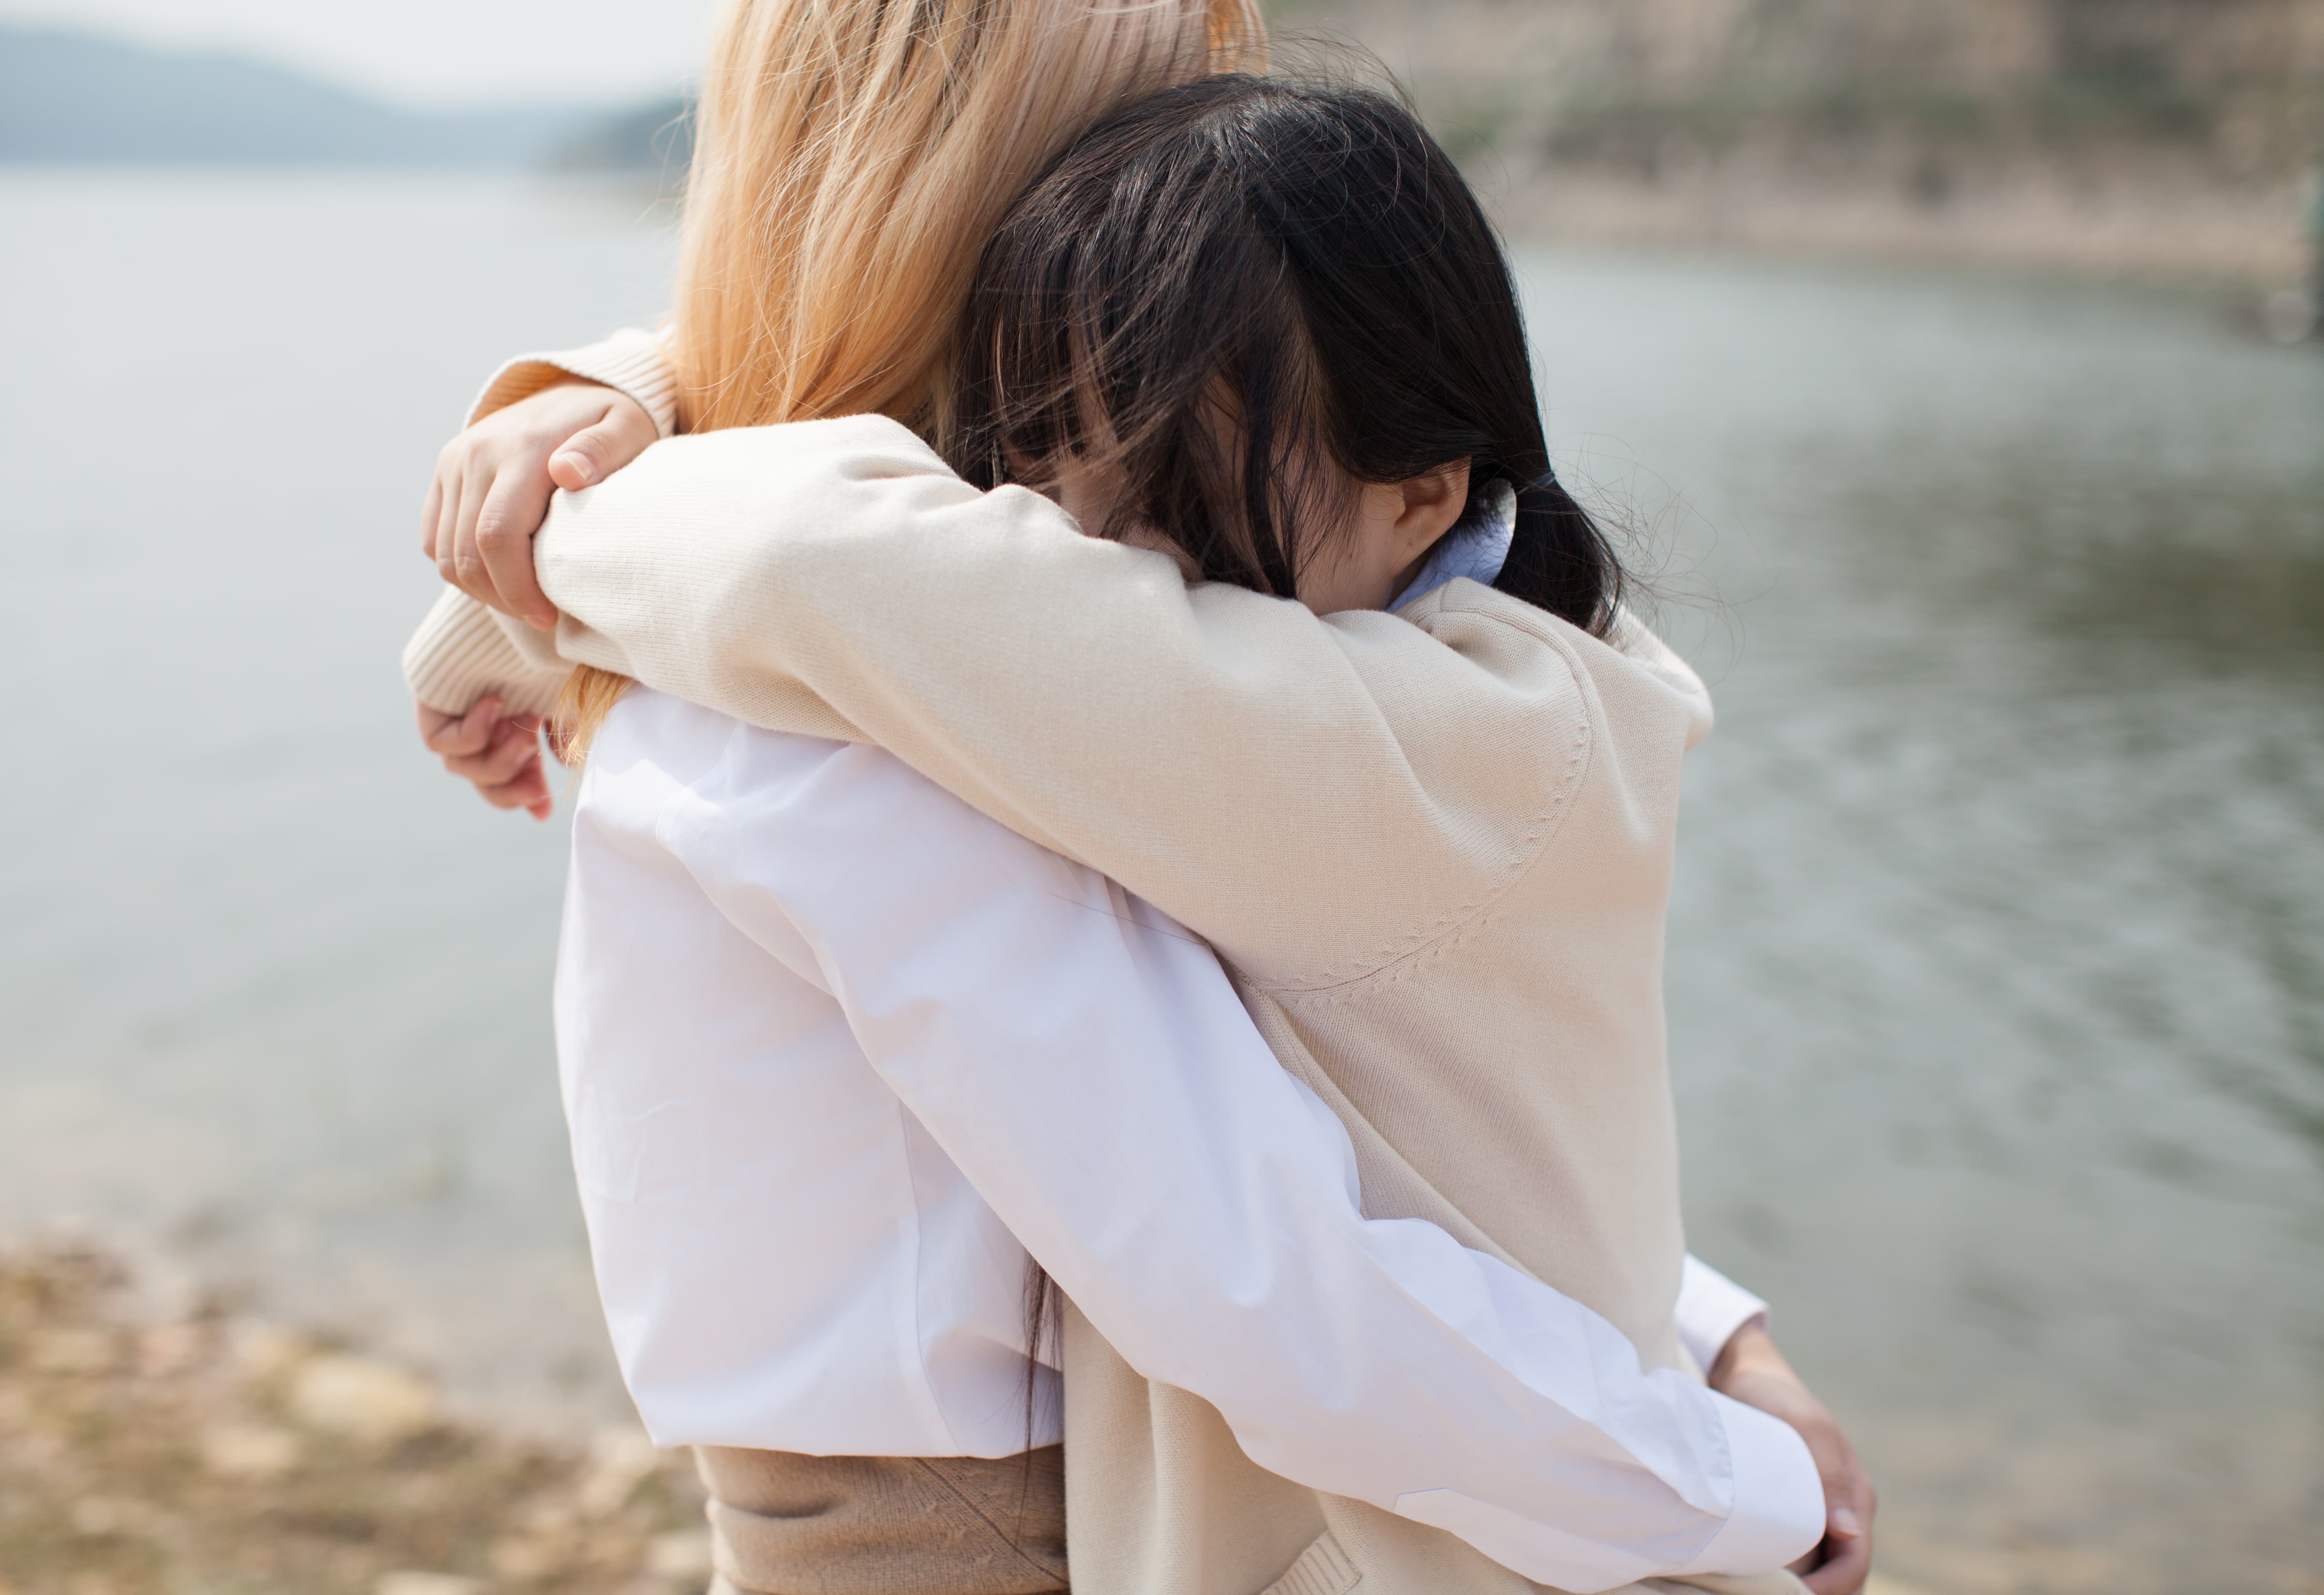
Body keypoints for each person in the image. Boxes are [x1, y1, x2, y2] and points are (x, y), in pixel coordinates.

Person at [404, 65, 1874, 1595]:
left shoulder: (1345, 737)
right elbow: (1444, 1112)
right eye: (1031, 484)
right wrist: (1715, 1346)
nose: (1083, 566)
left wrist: (544, 530)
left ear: (1426, 493)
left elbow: (804, 559)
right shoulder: (1536, 683)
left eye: (1172, 509)